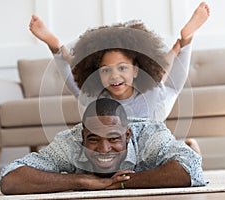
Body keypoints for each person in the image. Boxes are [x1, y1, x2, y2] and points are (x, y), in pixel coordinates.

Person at [29, 2, 210, 154]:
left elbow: (165, 73)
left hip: (151, 117)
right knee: (79, 85)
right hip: (118, 144)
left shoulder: (152, 92)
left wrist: (178, 49)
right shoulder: (96, 97)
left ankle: (187, 40)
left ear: (137, 70)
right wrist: (57, 49)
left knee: (166, 82)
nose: (114, 75)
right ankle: (57, 47)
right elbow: (73, 75)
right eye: (106, 70)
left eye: (122, 68)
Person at [0, 98, 205, 195]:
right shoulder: (69, 143)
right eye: (94, 140)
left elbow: (192, 170)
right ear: (83, 136)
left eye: (114, 139)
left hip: (153, 157)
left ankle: (189, 145)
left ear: (127, 134)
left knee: (190, 156)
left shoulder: (150, 135)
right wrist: (82, 181)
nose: (104, 149)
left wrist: (121, 183)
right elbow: (11, 179)